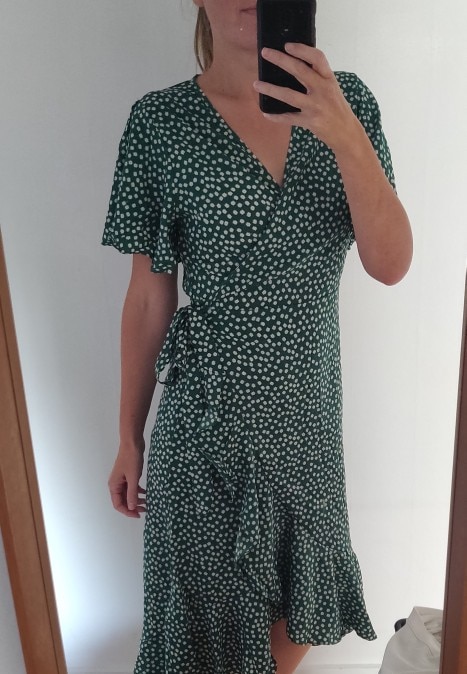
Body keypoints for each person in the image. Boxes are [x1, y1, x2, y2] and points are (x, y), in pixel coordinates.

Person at [102, 2, 413, 673]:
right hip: (203, 425)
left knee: (303, 608)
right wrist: (129, 436)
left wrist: (345, 136)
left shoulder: (348, 103)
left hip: (307, 426)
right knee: (197, 637)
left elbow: (390, 264)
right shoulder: (159, 123)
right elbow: (149, 295)